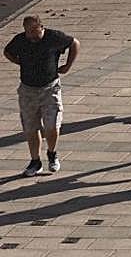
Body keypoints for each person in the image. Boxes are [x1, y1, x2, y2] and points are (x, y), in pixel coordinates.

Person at [5, 15, 79, 176]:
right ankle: (35, 161)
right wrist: (19, 62)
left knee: (52, 125)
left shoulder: (54, 37)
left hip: (50, 88)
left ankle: (52, 153)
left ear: (41, 27)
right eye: (27, 31)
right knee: (31, 127)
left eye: (33, 30)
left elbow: (74, 43)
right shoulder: (20, 40)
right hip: (27, 90)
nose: (30, 35)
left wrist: (67, 66)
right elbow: (7, 52)